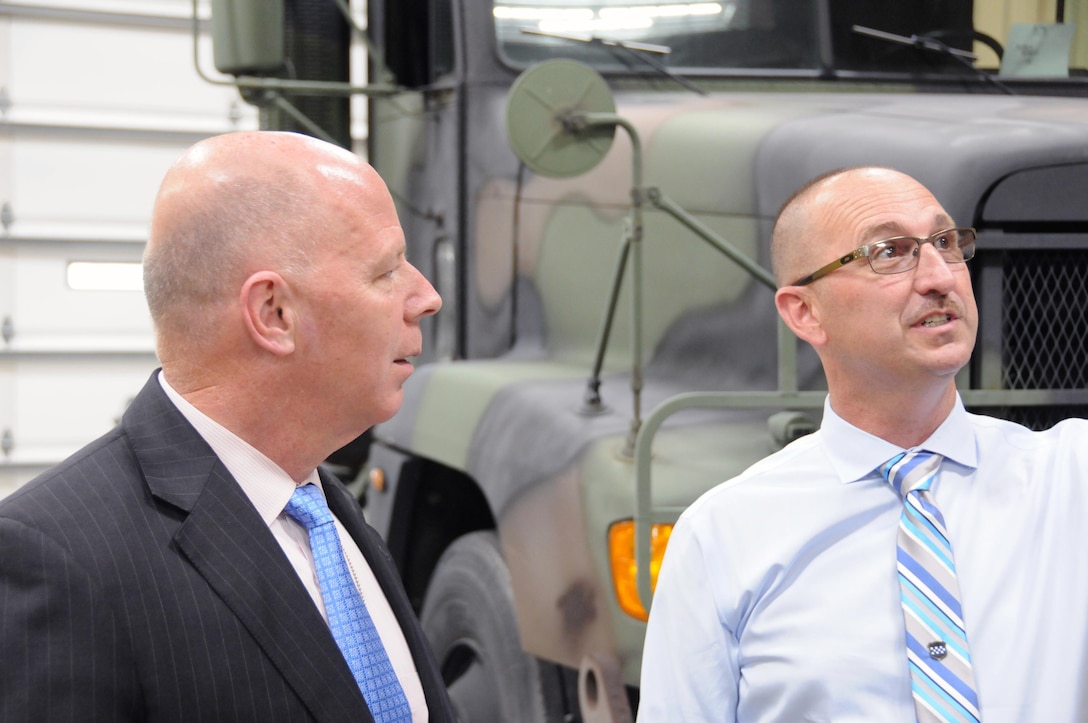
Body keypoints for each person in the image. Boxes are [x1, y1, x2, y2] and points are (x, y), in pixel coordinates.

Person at [0, 131, 455, 722]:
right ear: (274, 313)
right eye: (386, 271)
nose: (427, 296)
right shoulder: (59, 560)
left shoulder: (322, 512)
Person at [637, 166, 1088, 721]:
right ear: (804, 312)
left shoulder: (1070, 479)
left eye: (946, 243)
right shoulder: (723, 537)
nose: (938, 276)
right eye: (889, 252)